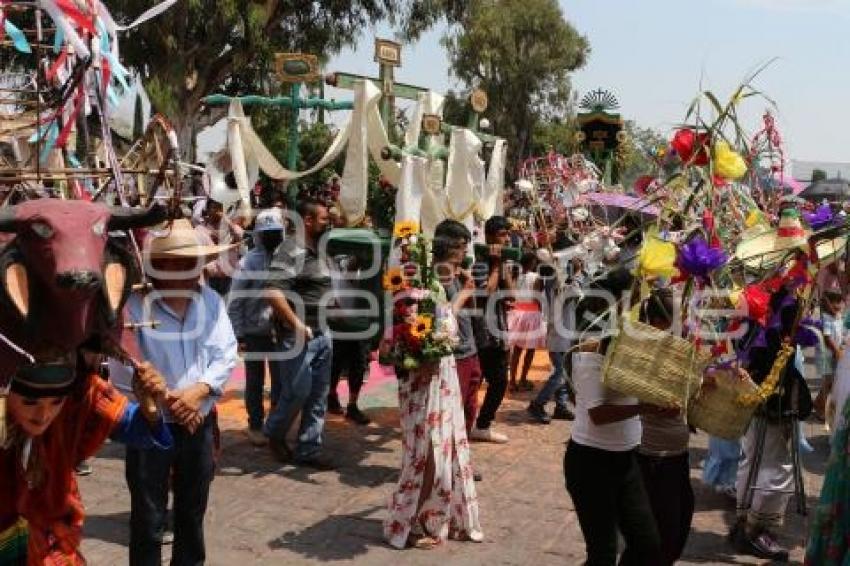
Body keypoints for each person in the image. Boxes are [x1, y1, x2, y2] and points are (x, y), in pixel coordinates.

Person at [112, 219, 239, 566]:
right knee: (148, 517)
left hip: (198, 420)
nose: (184, 272)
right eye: (174, 263)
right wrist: (168, 399)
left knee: (192, 512)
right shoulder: (132, 307)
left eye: (190, 263)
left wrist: (198, 394)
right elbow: (123, 371)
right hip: (149, 425)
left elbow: (225, 353)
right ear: (156, 266)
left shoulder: (210, 300)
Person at [0, 350, 171, 564]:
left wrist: (151, 410)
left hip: (54, 548)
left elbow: (136, 428)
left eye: (56, 402)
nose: (43, 415)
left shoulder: (81, 394)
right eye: (30, 403)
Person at [383, 240, 484, 550]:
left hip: (442, 380)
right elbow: (395, 344)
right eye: (454, 263)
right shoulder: (410, 297)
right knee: (425, 456)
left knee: (440, 455)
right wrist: (419, 353)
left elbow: (443, 321)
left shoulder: (436, 292)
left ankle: (424, 516)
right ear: (436, 262)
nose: (458, 269)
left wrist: (464, 294)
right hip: (422, 385)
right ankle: (409, 520)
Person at [564, 268, 665, 566]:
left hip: (626, 459)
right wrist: (647, 407)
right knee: (603, 554)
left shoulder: (630, 350)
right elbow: (598, 413)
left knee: (647, 544)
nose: (640, 311)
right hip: (590, 463)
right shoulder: (589, 351)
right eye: (635, 302)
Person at [731, 286, 811, 562]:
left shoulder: (758, 330)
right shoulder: (774, 339)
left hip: (756, 410)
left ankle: (744, 525)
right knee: (775, 470)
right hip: (769, 411)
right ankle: (756, 531)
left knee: (752, 463)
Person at [263, 198, 336, 470]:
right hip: (297, 336)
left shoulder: (319, 250)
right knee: (298, 391)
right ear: (307, 220)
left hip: (322, 332)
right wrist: (296, 324)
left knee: (318, 394)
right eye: (323, 219)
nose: (327, 223)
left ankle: (308, 449)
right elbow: (272, 292)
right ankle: (274, 432)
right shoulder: (290, 250)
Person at [634, 289, 694, 566]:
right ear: (656, 321)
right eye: (675, 318)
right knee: (659, 538)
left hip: (677, 454)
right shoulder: (642, 350)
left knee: (678, 526)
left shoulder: (675, 348)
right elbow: (648, 396)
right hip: (655, 457)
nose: (680, 323)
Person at [228, 209, 285, 446]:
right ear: (259, 235)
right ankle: (255, 424)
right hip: (254, 332)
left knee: (281, 380)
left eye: (275, 233)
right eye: (267, 233)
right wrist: (239, 334)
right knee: (255, 380)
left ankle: (275, 423)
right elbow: (236, 302)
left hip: (280, 331)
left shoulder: (286, 259)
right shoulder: (248, 263)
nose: (272, 237)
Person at [433, 220, 482, 439]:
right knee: (453, 412)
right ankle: (450, 465)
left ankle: (460, 463)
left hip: (469, 349)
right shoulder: (437, 275)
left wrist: (466, 287)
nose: (464, 251)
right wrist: (465, 293)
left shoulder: (455, 273)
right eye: (461, 246)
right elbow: (444, 315)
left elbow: (466, 311)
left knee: (470, 409)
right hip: (455, 353)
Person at [469, 215, 514, 444]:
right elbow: (485, 293)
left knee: (497, 380)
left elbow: (512, 294)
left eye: (508, 234)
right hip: (482, 333)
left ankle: (480, 424)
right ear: (489, 236)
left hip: (498, 330)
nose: (506, 239)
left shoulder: (500, 262)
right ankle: (477, 424)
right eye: (502, 234)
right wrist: (496, 265)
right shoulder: (479, 262)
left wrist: (502, 265)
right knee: (486, 381)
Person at [528, 250, 581, 424]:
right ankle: (538, 404)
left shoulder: (554, 285)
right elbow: (577, 290)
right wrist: (579, 272)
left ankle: (561, 406)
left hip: (562, 338)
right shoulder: (559, 287)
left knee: (564, 374)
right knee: (560, 374)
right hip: (559, 339)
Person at [327, 254, 372, 425]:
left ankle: (352, 405)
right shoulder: (335, 262)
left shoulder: (368, 270)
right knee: (335, 362)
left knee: (359, 363)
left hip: (361, 323)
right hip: (339, 322)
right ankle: (331, 395)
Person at [508, 252, 545, 392]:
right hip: (532, 314)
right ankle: (523, 379)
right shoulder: (536, 277)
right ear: (532, 263)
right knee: (530, 350)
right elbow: (537, 298)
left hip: (517, 313)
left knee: (516, 350)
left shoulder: (514, 275)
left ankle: (512, 381)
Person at [196, 198, 244, 296]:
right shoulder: (201, 228)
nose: (217, 211)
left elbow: (240, 235)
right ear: (208, 209)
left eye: (219, 208)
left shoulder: (229, 227)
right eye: (214, 207)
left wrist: (226, 220)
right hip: (210, 276)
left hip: (229, 275)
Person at [814, 289, 844, 421]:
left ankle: (818, 403)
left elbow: (840, 334)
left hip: (833, 354)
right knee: (827, 383)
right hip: (826, 356)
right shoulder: (826, 318)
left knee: (830, 383)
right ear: (828, 303)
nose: (839, 305)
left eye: (840, 302)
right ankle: (821, 410)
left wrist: (841, 345)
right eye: (836, 302)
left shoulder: (837, 316)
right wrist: (836, 350)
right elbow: (827, 338)